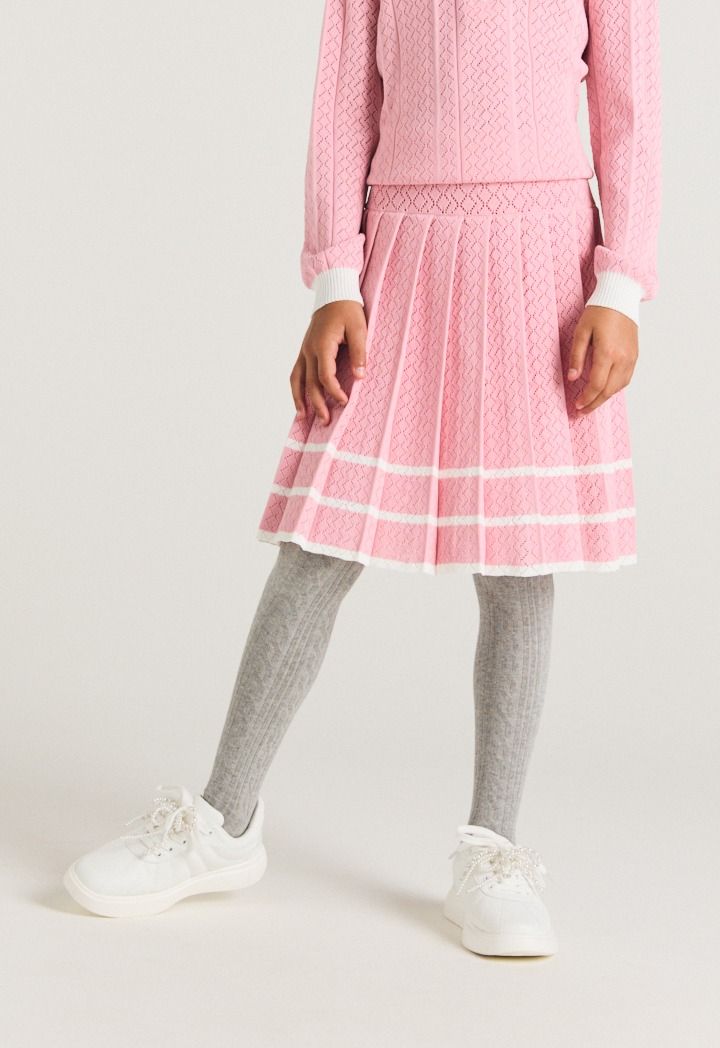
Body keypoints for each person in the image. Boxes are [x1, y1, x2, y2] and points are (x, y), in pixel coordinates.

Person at [63, 0, 661, 957]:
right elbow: (344, 97)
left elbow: (631, 102)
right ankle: (223, 821)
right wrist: (335, 278)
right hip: (400, 255)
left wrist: (621, 282)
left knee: (519, 557)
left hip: (541, 255)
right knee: (318, 540)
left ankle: (493, 848)